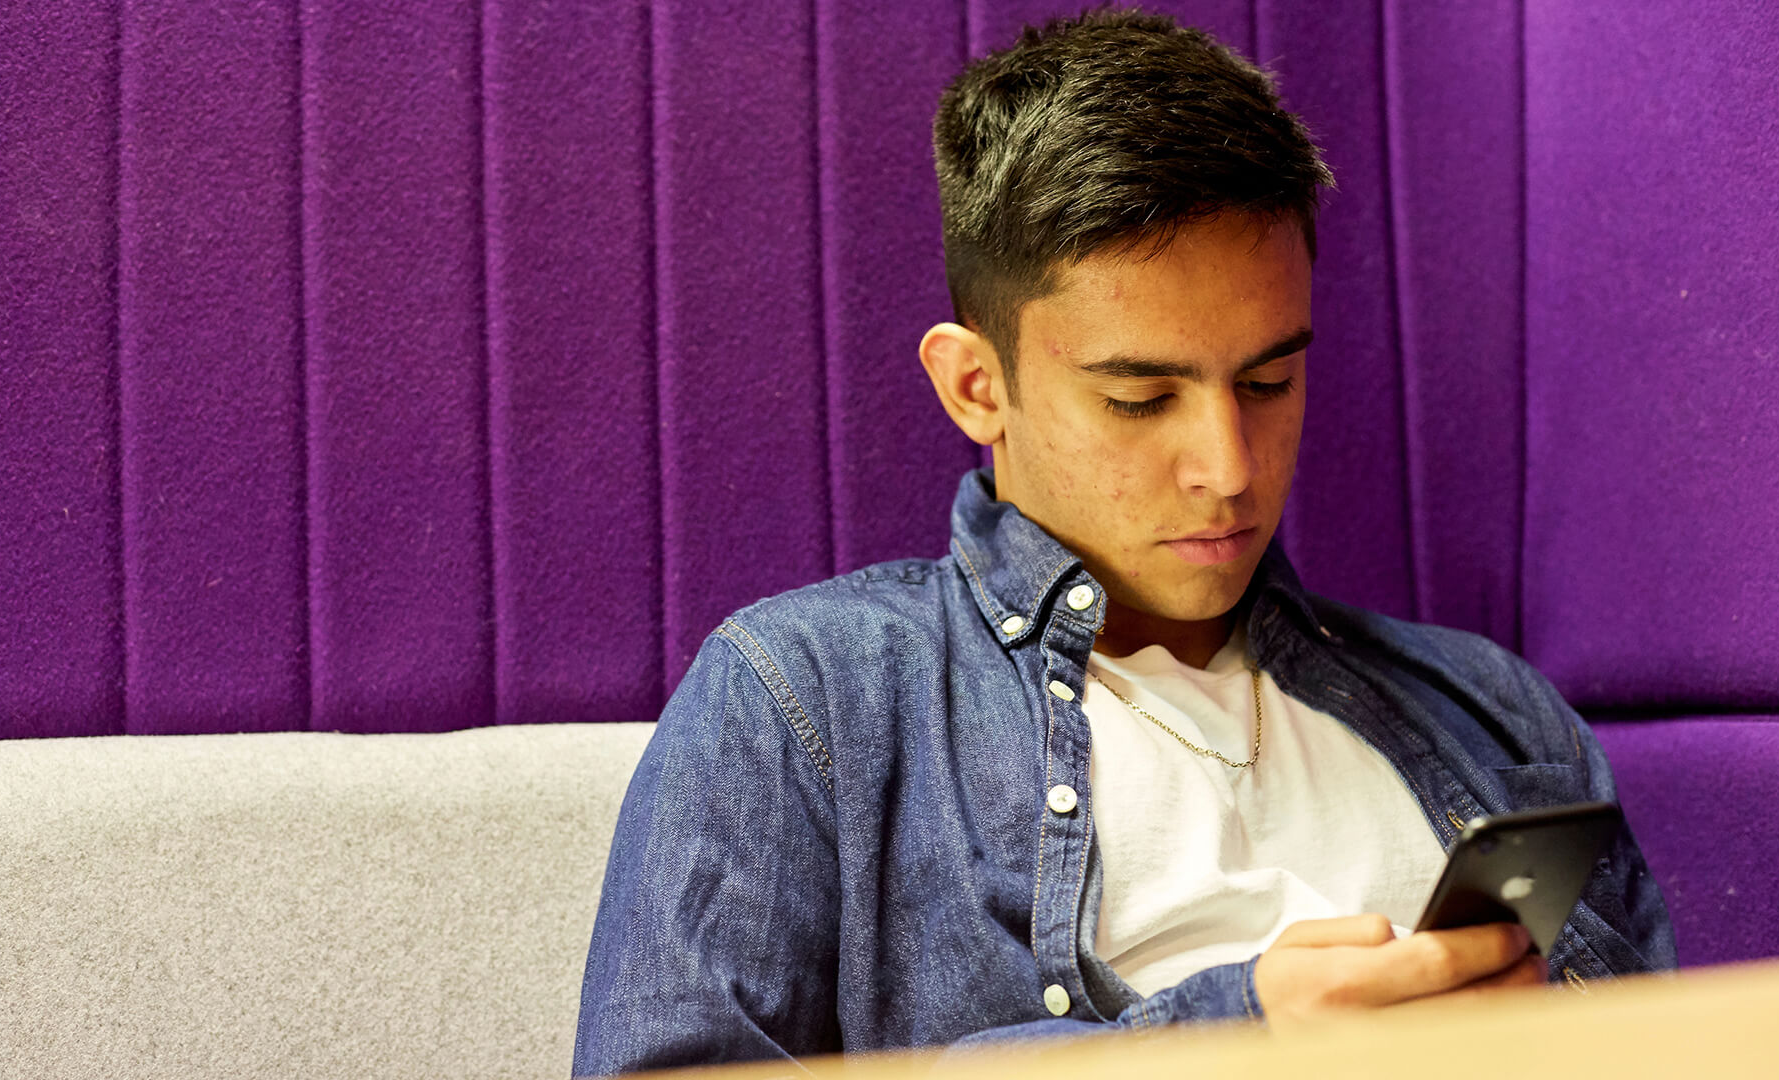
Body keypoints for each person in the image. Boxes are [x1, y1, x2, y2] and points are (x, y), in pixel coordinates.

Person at [572, 8, 1674, 1074]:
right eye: (1143, 398)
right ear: (975, 384)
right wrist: (1237, 1039)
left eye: (1270, 380)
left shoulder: (1497, 714)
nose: (1229, 468)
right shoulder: (808, 702)